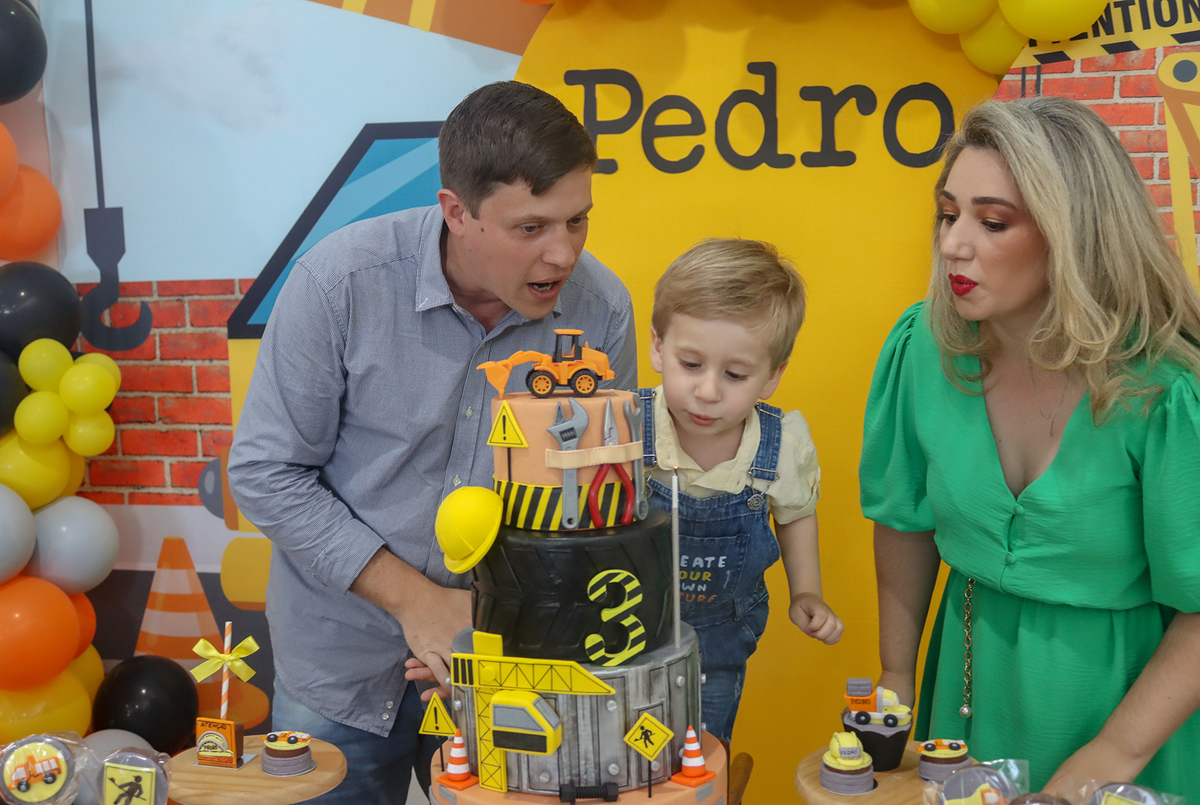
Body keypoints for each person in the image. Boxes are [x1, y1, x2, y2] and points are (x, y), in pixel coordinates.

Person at [227, 80, 636, 804]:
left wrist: (509, 631)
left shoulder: (603, 311)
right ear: (456, 211)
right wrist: (419, 602)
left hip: (513, 671)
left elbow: (603, 508)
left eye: (577, 221)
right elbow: (267, 472)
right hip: (339, 669)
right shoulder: (339, 282)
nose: (563, 253)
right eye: (531, 227)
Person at [860, 95, 1200, 801]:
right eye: (948, 214)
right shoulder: (922, 348)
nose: (953, 244)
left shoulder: (1163, 393)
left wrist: (1109, 754)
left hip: (1130, 715)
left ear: (1075, 232)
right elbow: (904, 519)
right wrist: (896, 675)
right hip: (965, 692)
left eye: (992, 222)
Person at [638, 238, 843, 742]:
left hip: (719, 644)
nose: (707, 391)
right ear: (658, 347)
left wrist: (807, 591)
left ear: (772, 376)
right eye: (691, 364)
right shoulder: (625, 426)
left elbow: (795, 514)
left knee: (701, 753)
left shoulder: (781, 443)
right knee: (620, 752)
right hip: (624, 633)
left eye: (734, 375)